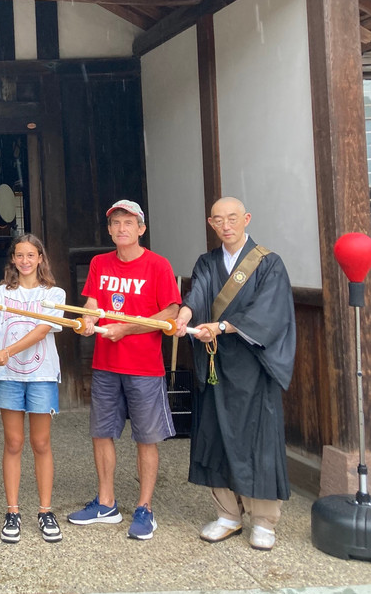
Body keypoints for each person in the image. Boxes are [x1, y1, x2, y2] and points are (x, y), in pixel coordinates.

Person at [174, 196, 296, 552]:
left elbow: (269, 312)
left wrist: (224, 326)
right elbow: (197, 293)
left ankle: (264, 520)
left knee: (257, 439)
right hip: (215, 363)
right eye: (218, 220)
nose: (225, 225)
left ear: (246, 219)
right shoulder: (207, 262)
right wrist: (184, 315)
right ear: (211, 224)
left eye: (232, 218)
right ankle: (228, 514)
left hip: (252, 366)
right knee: (216, 434)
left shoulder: (268, 263)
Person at [68, 199, 180, 541]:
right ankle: (106, 503)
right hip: (105, 364)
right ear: (109, 229)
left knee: (146, 437)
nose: (121, 228)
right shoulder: (100, 263)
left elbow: (171, 313)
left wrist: (126, 329)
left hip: (144, 366)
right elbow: (93, 304)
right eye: (116, 223)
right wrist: (87, 321)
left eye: (128, 222)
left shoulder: (158, 265)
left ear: (141, 228)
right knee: (101, 432)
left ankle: (145, 507)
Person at [0, 233, 65, 544]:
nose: (25, 261)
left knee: (41, 442)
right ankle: (12, 511)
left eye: (31, 255)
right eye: (19, 255)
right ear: (13, 259)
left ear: (40, 258)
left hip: (42, 375)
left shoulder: (54, 294)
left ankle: (45, 511)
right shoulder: (0, 292)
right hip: (9, 376)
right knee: (12, 442)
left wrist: (7, 351)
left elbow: (42, 330)